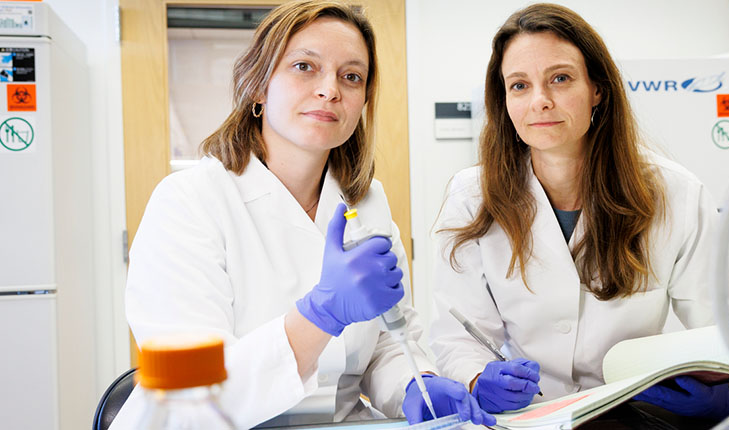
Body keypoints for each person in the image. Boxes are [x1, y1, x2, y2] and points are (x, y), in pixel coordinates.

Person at [109, 1, 494, 428]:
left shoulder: (366, 202)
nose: (330, 89)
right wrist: (320, 316)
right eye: (304, 67)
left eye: (351, 76)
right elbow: (191, 394)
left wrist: (414, 386)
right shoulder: (187, 201)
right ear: (257, 85)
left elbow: (388, 339)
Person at [429, 2, 729, 423]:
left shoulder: (676, 194)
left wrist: (728, 390)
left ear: (597, 89)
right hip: (529, 416)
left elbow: (728, 326)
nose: (540, 101)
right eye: (519, 85)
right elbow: (458, 334)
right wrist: (477, 378)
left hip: (638, 415)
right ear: (504, 100)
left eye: (560, 79)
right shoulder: (471, 197)